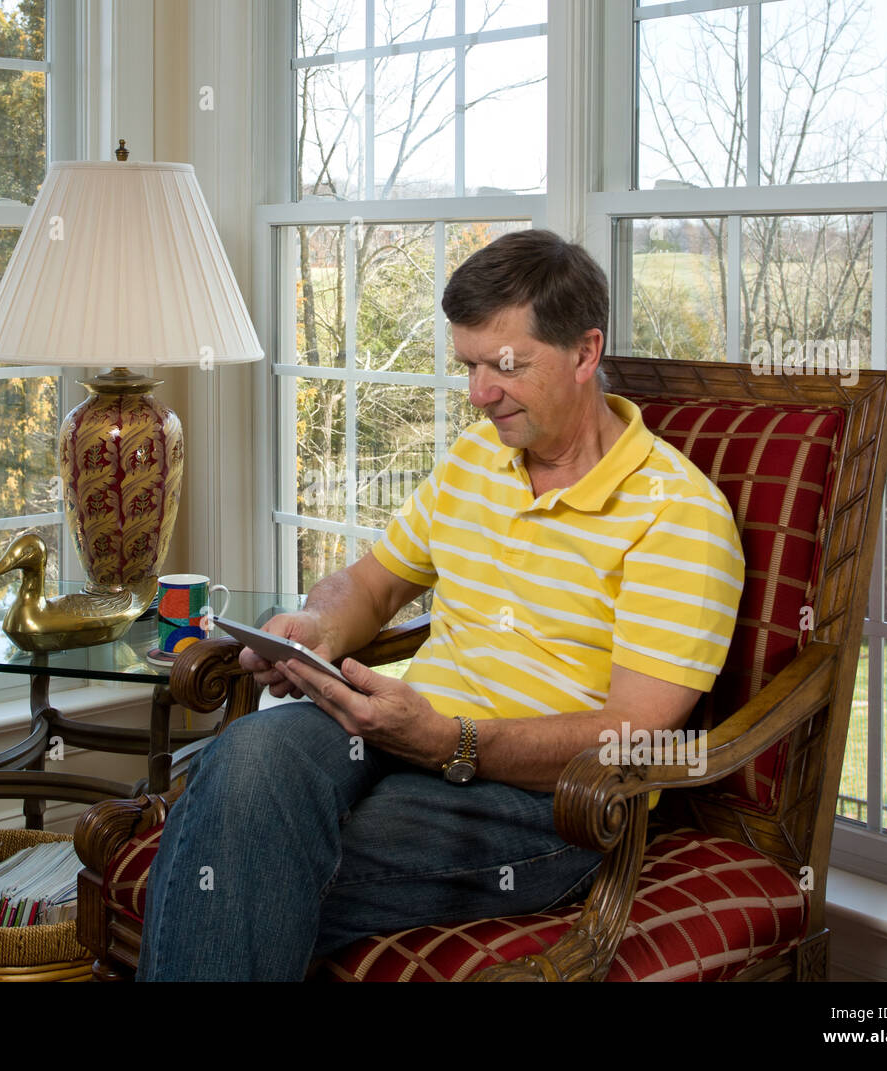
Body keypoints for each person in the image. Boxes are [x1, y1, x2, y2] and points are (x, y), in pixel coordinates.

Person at [136, 229, 745, 982]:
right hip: (394, 731)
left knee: (235, 845)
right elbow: (372, 586)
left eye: (505, 366)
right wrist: (316, 626)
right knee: (248, 756)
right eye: (469, 365)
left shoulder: (677, 514)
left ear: (585, 353)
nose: (478, 394)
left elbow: (632, 735)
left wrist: (452, 741)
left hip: (545, 803)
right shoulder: (475, 460)